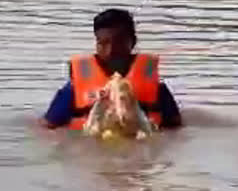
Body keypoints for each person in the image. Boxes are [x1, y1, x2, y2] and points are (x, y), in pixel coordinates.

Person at [39, 8, 183, 130]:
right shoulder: (72, 90)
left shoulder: (158, 90)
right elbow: (47, 128)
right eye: (103, 43)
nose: (110, 51)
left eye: (118, 43)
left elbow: (176, 130)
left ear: (132, 42)